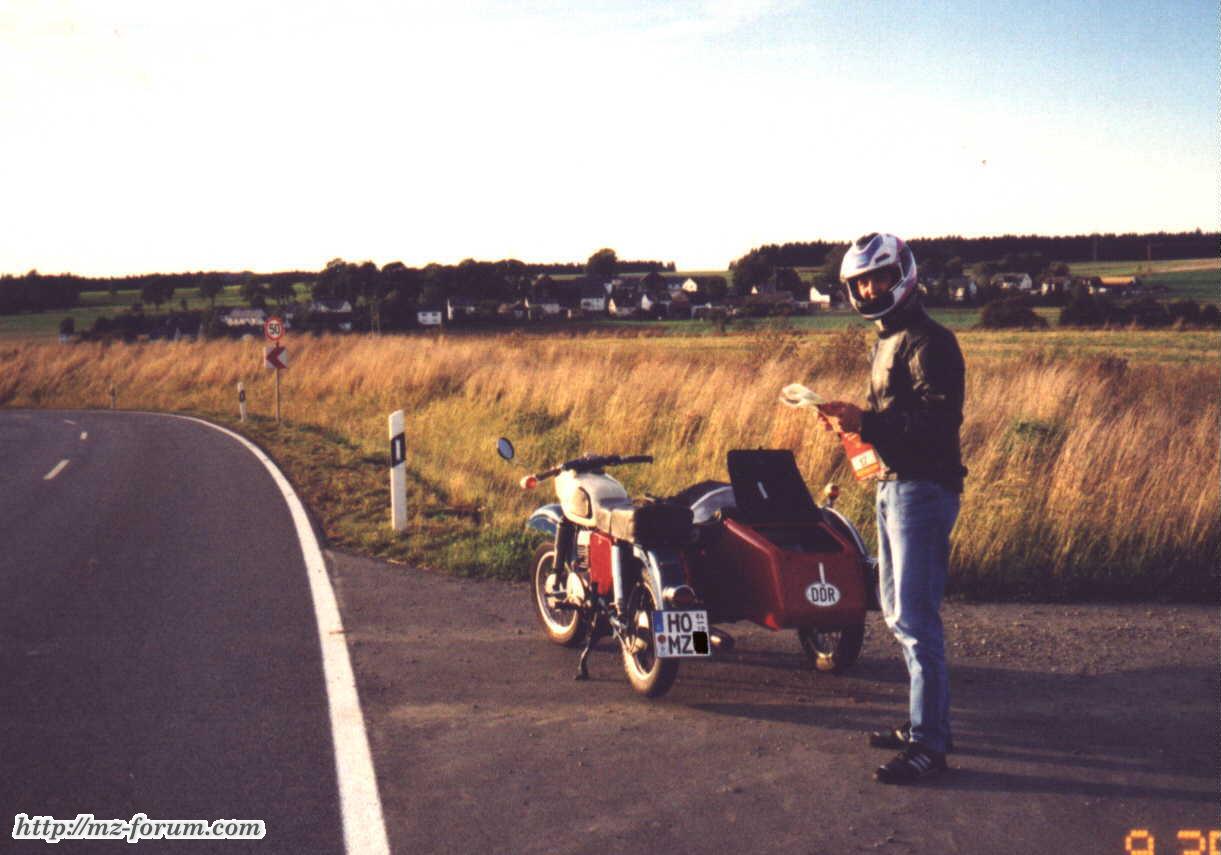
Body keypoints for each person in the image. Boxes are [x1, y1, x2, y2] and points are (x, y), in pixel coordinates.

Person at [818, 232, 967, 785]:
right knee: (896, 612)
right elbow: (892, 418)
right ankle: (924, 724)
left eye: (878, 278)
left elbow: (936, 424)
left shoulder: (931, 341)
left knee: (915, 619)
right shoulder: (888, 339)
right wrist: (852, 425)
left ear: (902, 273)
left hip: (923, 490)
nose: (868, 289)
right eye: (860, 282)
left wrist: (867, 421)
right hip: (892, 485)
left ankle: (929, 745)